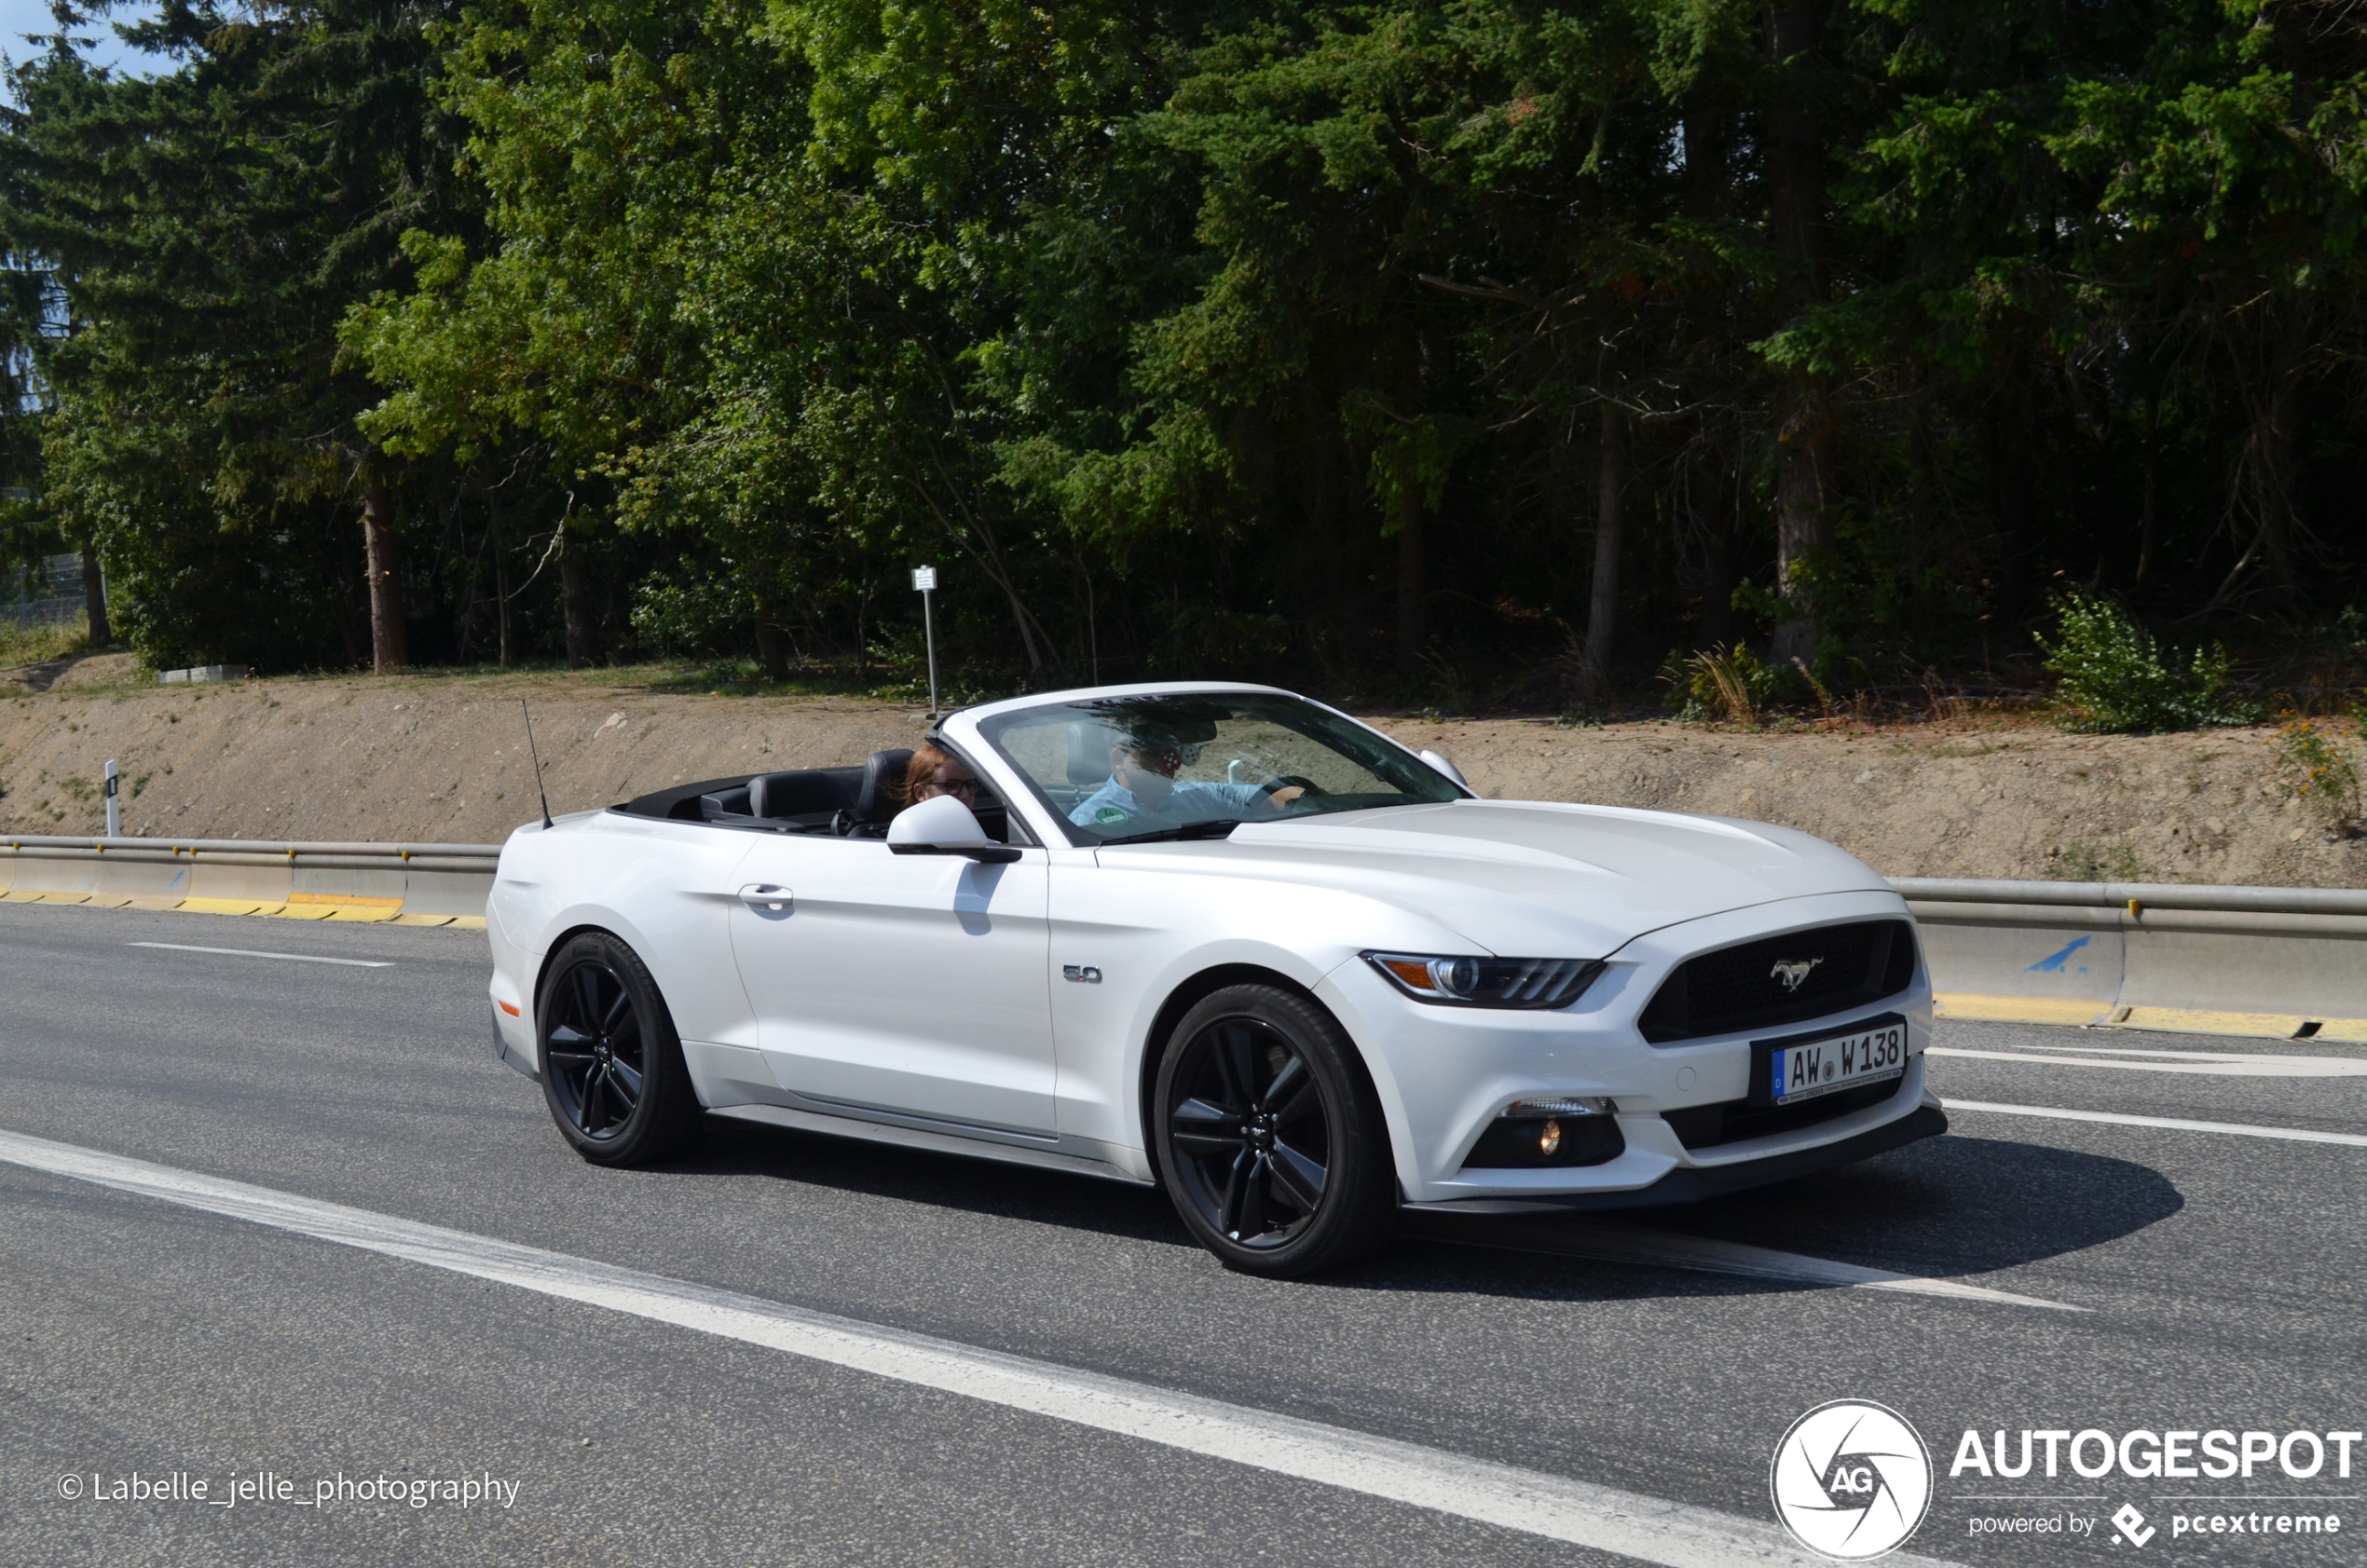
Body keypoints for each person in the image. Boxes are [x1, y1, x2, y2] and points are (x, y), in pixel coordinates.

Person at [1068, 727, 1305, 830]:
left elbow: (1271, 798)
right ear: (1119, 758)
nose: (1167, 762)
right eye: (1151, 752)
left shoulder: (1202, 797)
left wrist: (1312, 803)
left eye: (1171, 750)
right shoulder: (1088, 820)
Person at [897, 742, 981, 811]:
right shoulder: (911, 831)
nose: (965, 795)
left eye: (970, 784)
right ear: (921, 793)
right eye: (951, 785)